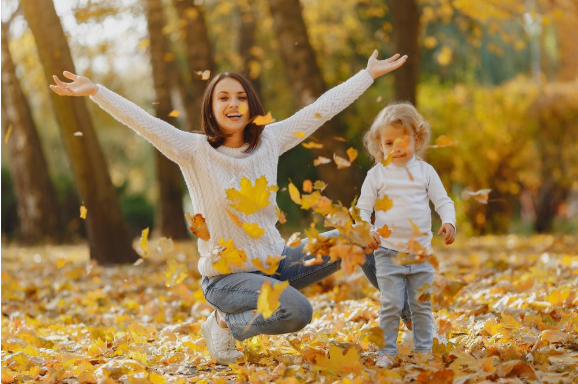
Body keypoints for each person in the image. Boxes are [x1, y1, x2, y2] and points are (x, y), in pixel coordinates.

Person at [50, 50, 408, 365]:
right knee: (298, 312)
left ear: (251, 106)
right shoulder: (192, 150)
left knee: (358, 237)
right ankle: (223, 323)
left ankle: (414, 327)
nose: (233, 104)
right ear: (211, 107)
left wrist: (367, 75)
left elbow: (319, 111)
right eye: (223, 98)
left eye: (240, 97)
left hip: (277, 262)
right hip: (227, 280)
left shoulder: (270, 141)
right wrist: (96, 91)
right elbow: (143, 122)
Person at [356, 102, 456, 368]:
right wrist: (366, 228)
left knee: (421, 306)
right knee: (391, 304)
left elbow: (443, 201)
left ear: (417, 138)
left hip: (422, 254)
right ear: (379, 144)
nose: (396, 149)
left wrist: (449, 222)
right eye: (388, 144)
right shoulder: (376, 175)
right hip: (388, 253)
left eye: (402, 141)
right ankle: (387, 352)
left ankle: (424, 350)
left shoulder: (425, 172)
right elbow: (362, 209)